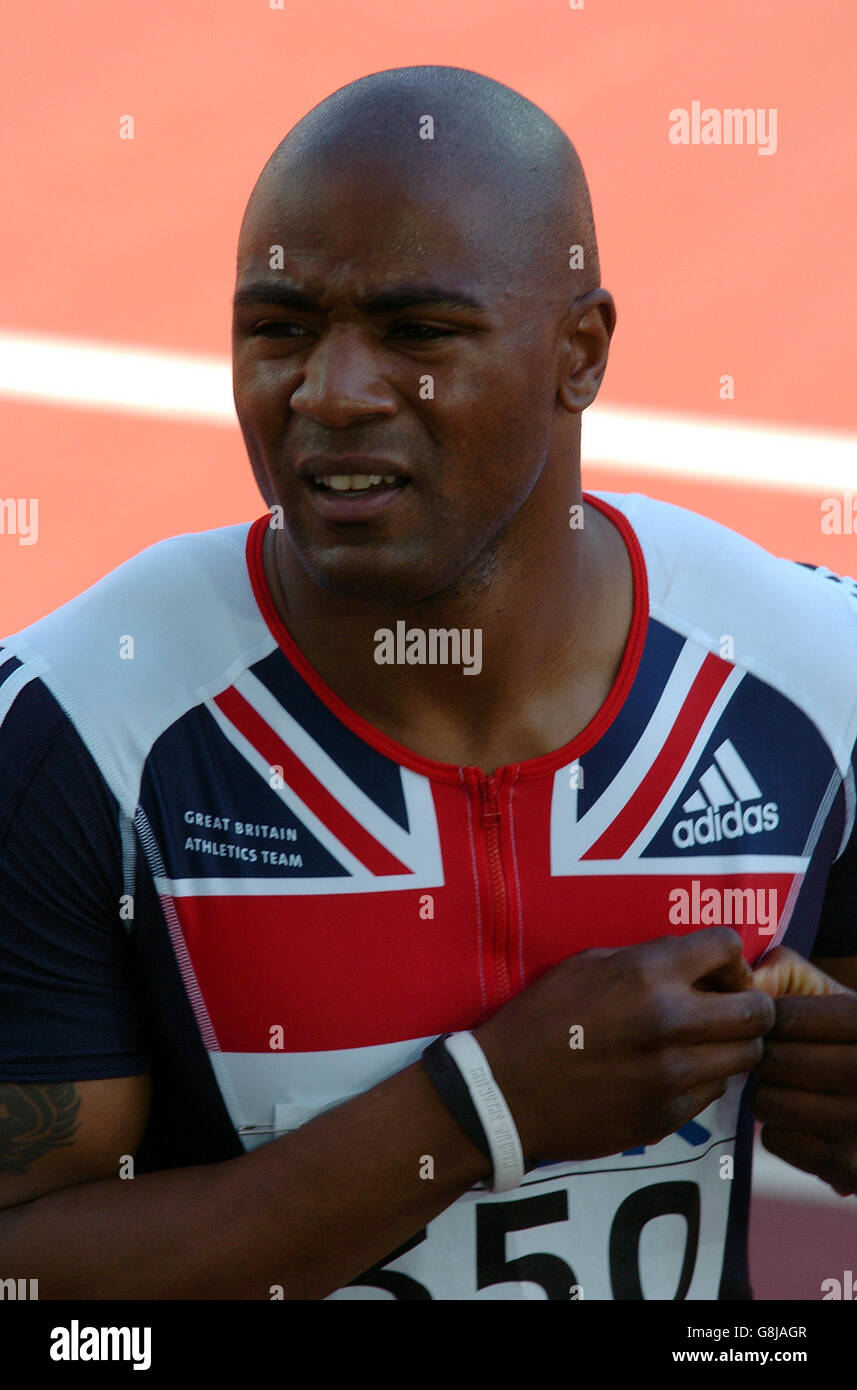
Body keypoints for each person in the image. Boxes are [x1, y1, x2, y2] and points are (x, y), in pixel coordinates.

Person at [0, 65, 855, 1302]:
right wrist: (478, 1113)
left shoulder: (815, 680)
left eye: (416, 333)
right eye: (278, 327)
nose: (329, 394)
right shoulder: (77, 733)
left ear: (579, 352)